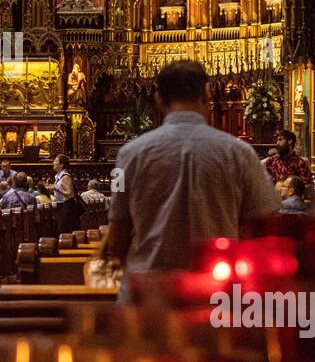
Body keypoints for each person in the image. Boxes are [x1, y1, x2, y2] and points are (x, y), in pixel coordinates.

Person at [99, 60, 280, 299]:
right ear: (206, 95)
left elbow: (117, 236)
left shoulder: (128, 156)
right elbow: (264, 228)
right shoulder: (240, 154)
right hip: (216, 296)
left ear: (158, 99)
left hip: (148, 296)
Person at [52, 154, 81, 233]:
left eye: (55, 161)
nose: (53, 163)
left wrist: (56, 189)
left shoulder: (65, 177)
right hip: (60, 205)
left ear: (61, 165)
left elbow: (70, 193)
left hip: (67, 206)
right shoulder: (58, 175)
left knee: (63, 230)